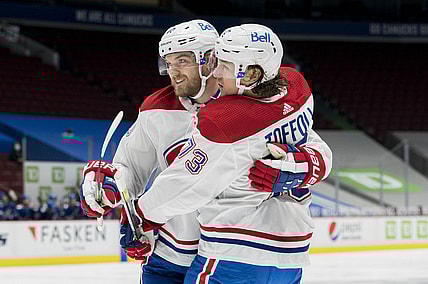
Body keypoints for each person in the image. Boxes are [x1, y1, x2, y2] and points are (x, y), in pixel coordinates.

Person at [83, 23, 332, 283]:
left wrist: (304, 166)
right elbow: (129, 168)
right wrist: (106, 187)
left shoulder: (249, 109)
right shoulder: (156, 110)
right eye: (168, 63)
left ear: (210, 59)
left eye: (182, 61)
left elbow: (314, 148)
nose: (173, 73)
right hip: (172, 253)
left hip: (226, 250)